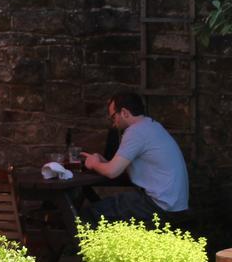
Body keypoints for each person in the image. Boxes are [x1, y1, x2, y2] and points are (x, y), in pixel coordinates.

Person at [80, 91, 190, 225]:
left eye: (113, 117)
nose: (113, 123)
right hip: (173, 204)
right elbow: (117, 167)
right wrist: (105, 163)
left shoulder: (135, 131)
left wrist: (93, 163)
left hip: (159, 205)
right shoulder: (151, 126)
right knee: (105, 211)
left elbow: (112, 172)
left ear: (125, 112)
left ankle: (86, 245)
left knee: (89, 214)